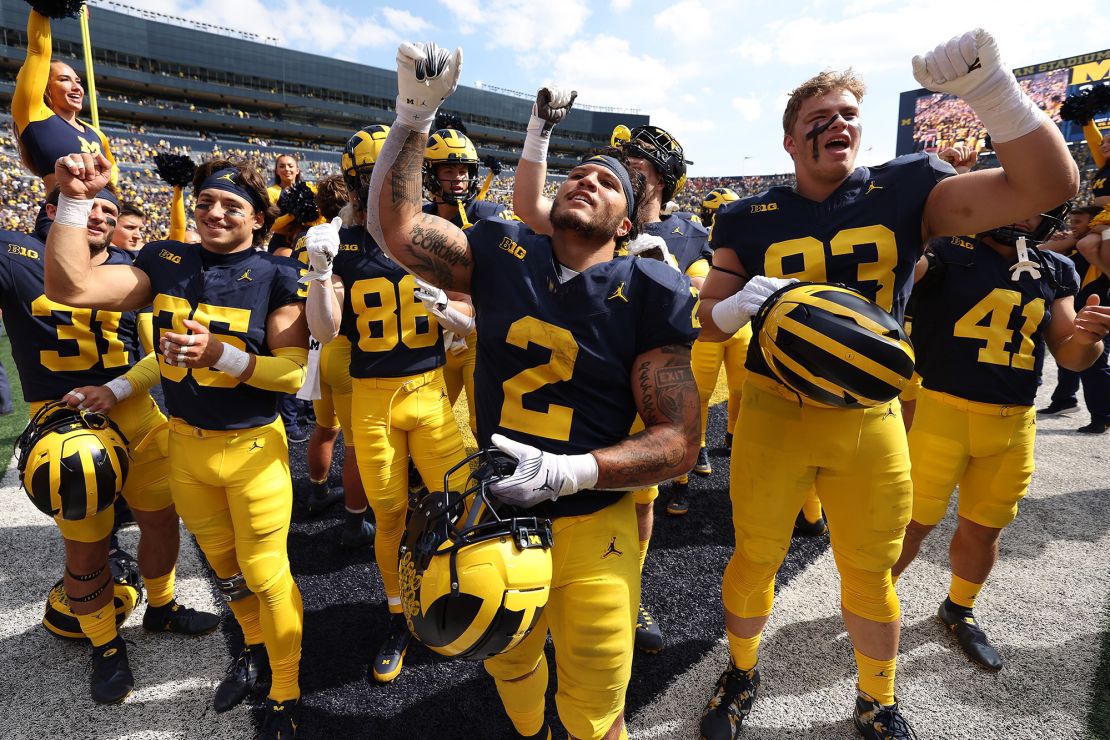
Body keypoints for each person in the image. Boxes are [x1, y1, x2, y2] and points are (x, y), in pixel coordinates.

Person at [695, 29, 1078, 739]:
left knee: (870, 572)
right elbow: (706, 325)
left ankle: (877, 698)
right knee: (756, 557)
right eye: (819, 118)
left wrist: (994, 92)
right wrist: (728, 306)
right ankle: (742, 670)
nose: (837, 123)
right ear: (789, 142)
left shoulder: (906, 189)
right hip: (777, 413)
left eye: (847, 115)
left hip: (870, 418)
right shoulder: (748, 217)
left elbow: (1049, 186)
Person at [365, 41, 701, 740]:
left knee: (598, 695)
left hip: (595, 521)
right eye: (576, 174)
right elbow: (395, 229)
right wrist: (413, 119)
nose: (586, 182)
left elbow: (678, 443)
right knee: (509, 664)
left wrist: (573, 470)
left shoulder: (652, 287)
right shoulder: (499, 249)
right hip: (497, 511)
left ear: (628, 222)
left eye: (607, 183)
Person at [44, 152, 309, 739]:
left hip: (251, 451)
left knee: (266, 574)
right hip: (187, 449)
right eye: (207, 201)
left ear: (258, 218)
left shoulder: (276, 273)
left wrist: (222, 356)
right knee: (226, 570)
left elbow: (293, 374)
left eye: (232, 205)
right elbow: (70, 285)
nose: (215, 212)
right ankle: (257, 651)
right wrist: (74, 200)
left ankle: (287, 686)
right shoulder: (168, 260)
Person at [0, 184, 218, 705]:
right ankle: (104, 642)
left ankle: (162, 606)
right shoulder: (15, 252)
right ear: (53, 209)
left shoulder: (129, 267)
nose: (101, 214)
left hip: (137, 415)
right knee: (86, 543)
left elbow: (159, 351)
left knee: (163, 521)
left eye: (110, 209)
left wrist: (117, 387)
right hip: (63, 426)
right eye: (87, 205)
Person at [512, 96, 705, 655]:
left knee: (638, 494)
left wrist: (670, 272)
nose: (628, 169)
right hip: (577, 370)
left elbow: (700, 293)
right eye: (626, 161)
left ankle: (630, 586)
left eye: (639, 167)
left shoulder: (685, 232)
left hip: (640, 374)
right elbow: (530, 208)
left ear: (663, 180)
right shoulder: (590, 216)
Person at [891, 203, 1108, 672]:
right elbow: (898, 272)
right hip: (940, 414)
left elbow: (1071, 357)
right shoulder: (945, 249)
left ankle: (959, 608)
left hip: (1012, 424)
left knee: (985, 526)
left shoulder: (1056, 266)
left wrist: (1091, 337)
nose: (1026, 215)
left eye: (1040, 209)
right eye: (1021, 201)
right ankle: (872, 603)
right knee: (910, 523)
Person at [304, 123, 473, 684]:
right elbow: (326, 332)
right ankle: (399, 615)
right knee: (391, 515)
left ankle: (454, 591)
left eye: (391, 181)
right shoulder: (339, 241)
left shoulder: (433, 234)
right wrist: (320, 272)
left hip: (428, 392)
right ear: (355, 185)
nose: (384, 191)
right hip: (373, 399)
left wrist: (451, 315)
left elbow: (474, 321)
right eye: (371, 181)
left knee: (458, 499)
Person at [422, 127, 514, 434]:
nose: (459, 177)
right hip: (434, 332)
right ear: (431, 174)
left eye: (463, 170)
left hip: (479, 332)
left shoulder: (490, 215)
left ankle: (490, 477)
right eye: (449, 169)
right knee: (431, 420)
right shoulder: (418, 217)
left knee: (482, 421)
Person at [292, 174, 367, 532]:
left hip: (315, 348)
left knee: (324, 427)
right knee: (355, 444)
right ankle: (354, 522)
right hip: (345, 347)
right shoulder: (349, 241)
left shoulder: (306, 240)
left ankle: (317, 490)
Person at [11, 6, 117, 191]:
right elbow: (38, 52)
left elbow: (112, 177)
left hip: (98, 217)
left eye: (78, 81)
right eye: (64, 80)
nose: (77, 87)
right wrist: (41, 8)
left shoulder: (97, 134)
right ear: (44, 87)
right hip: (62, 215)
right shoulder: (34, 114)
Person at [1038, 204, 1110, 433]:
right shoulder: (1073, 250)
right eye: (1071, 222)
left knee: (1095, 365)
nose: (1072, 227)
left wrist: (1102, 231)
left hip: (1099, 312)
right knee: (1066, 352)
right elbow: (1042, 249)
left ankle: (1104, 416)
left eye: (1079, 222)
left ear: (1093, 223)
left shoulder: (1097, 248)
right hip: (1076, 310)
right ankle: (1064, 400)